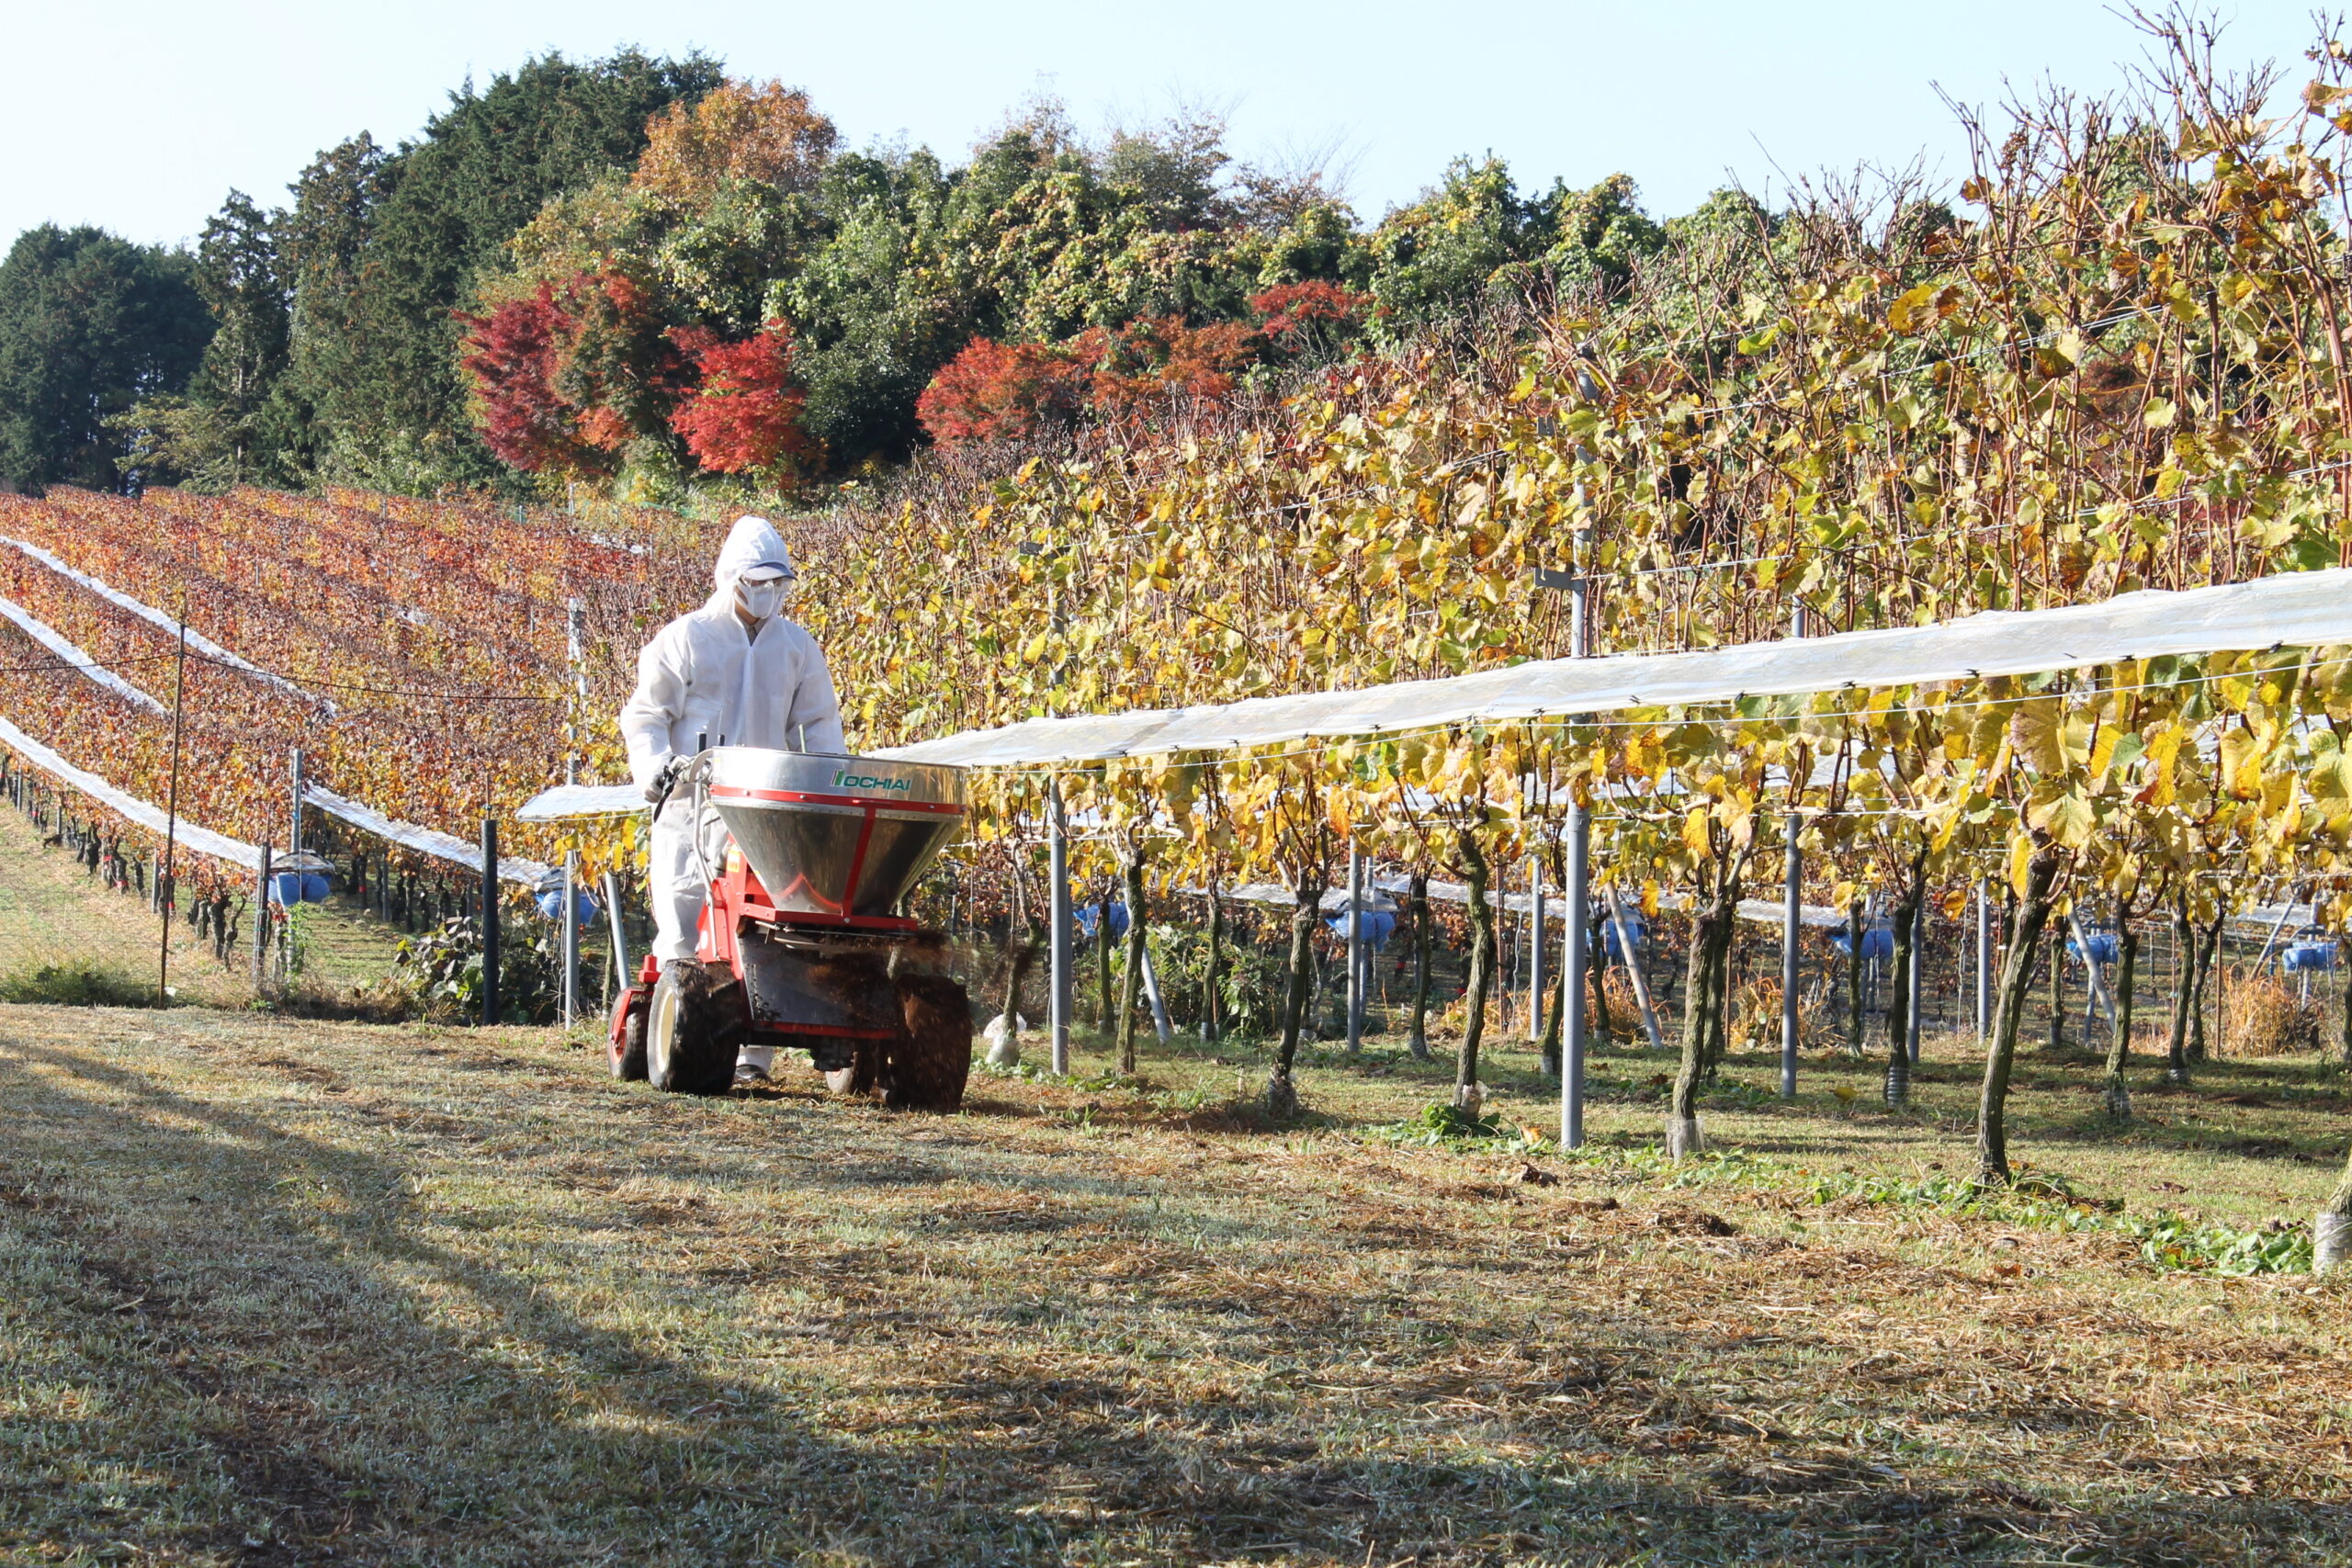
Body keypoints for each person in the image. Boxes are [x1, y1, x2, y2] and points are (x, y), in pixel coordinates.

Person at [619, 514, 844, 1084]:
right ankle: (679, 1047)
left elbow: (819, 725)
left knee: (758, 930)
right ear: (731, 577)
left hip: (765, 811)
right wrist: (652, 769)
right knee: (682, 922)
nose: (768, 594)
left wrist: (830, 787)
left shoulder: (795, 646)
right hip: (690, 804)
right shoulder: (686, 637)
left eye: (777, 584)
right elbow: (647, 715)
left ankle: (752, 1060)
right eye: (758, 582)